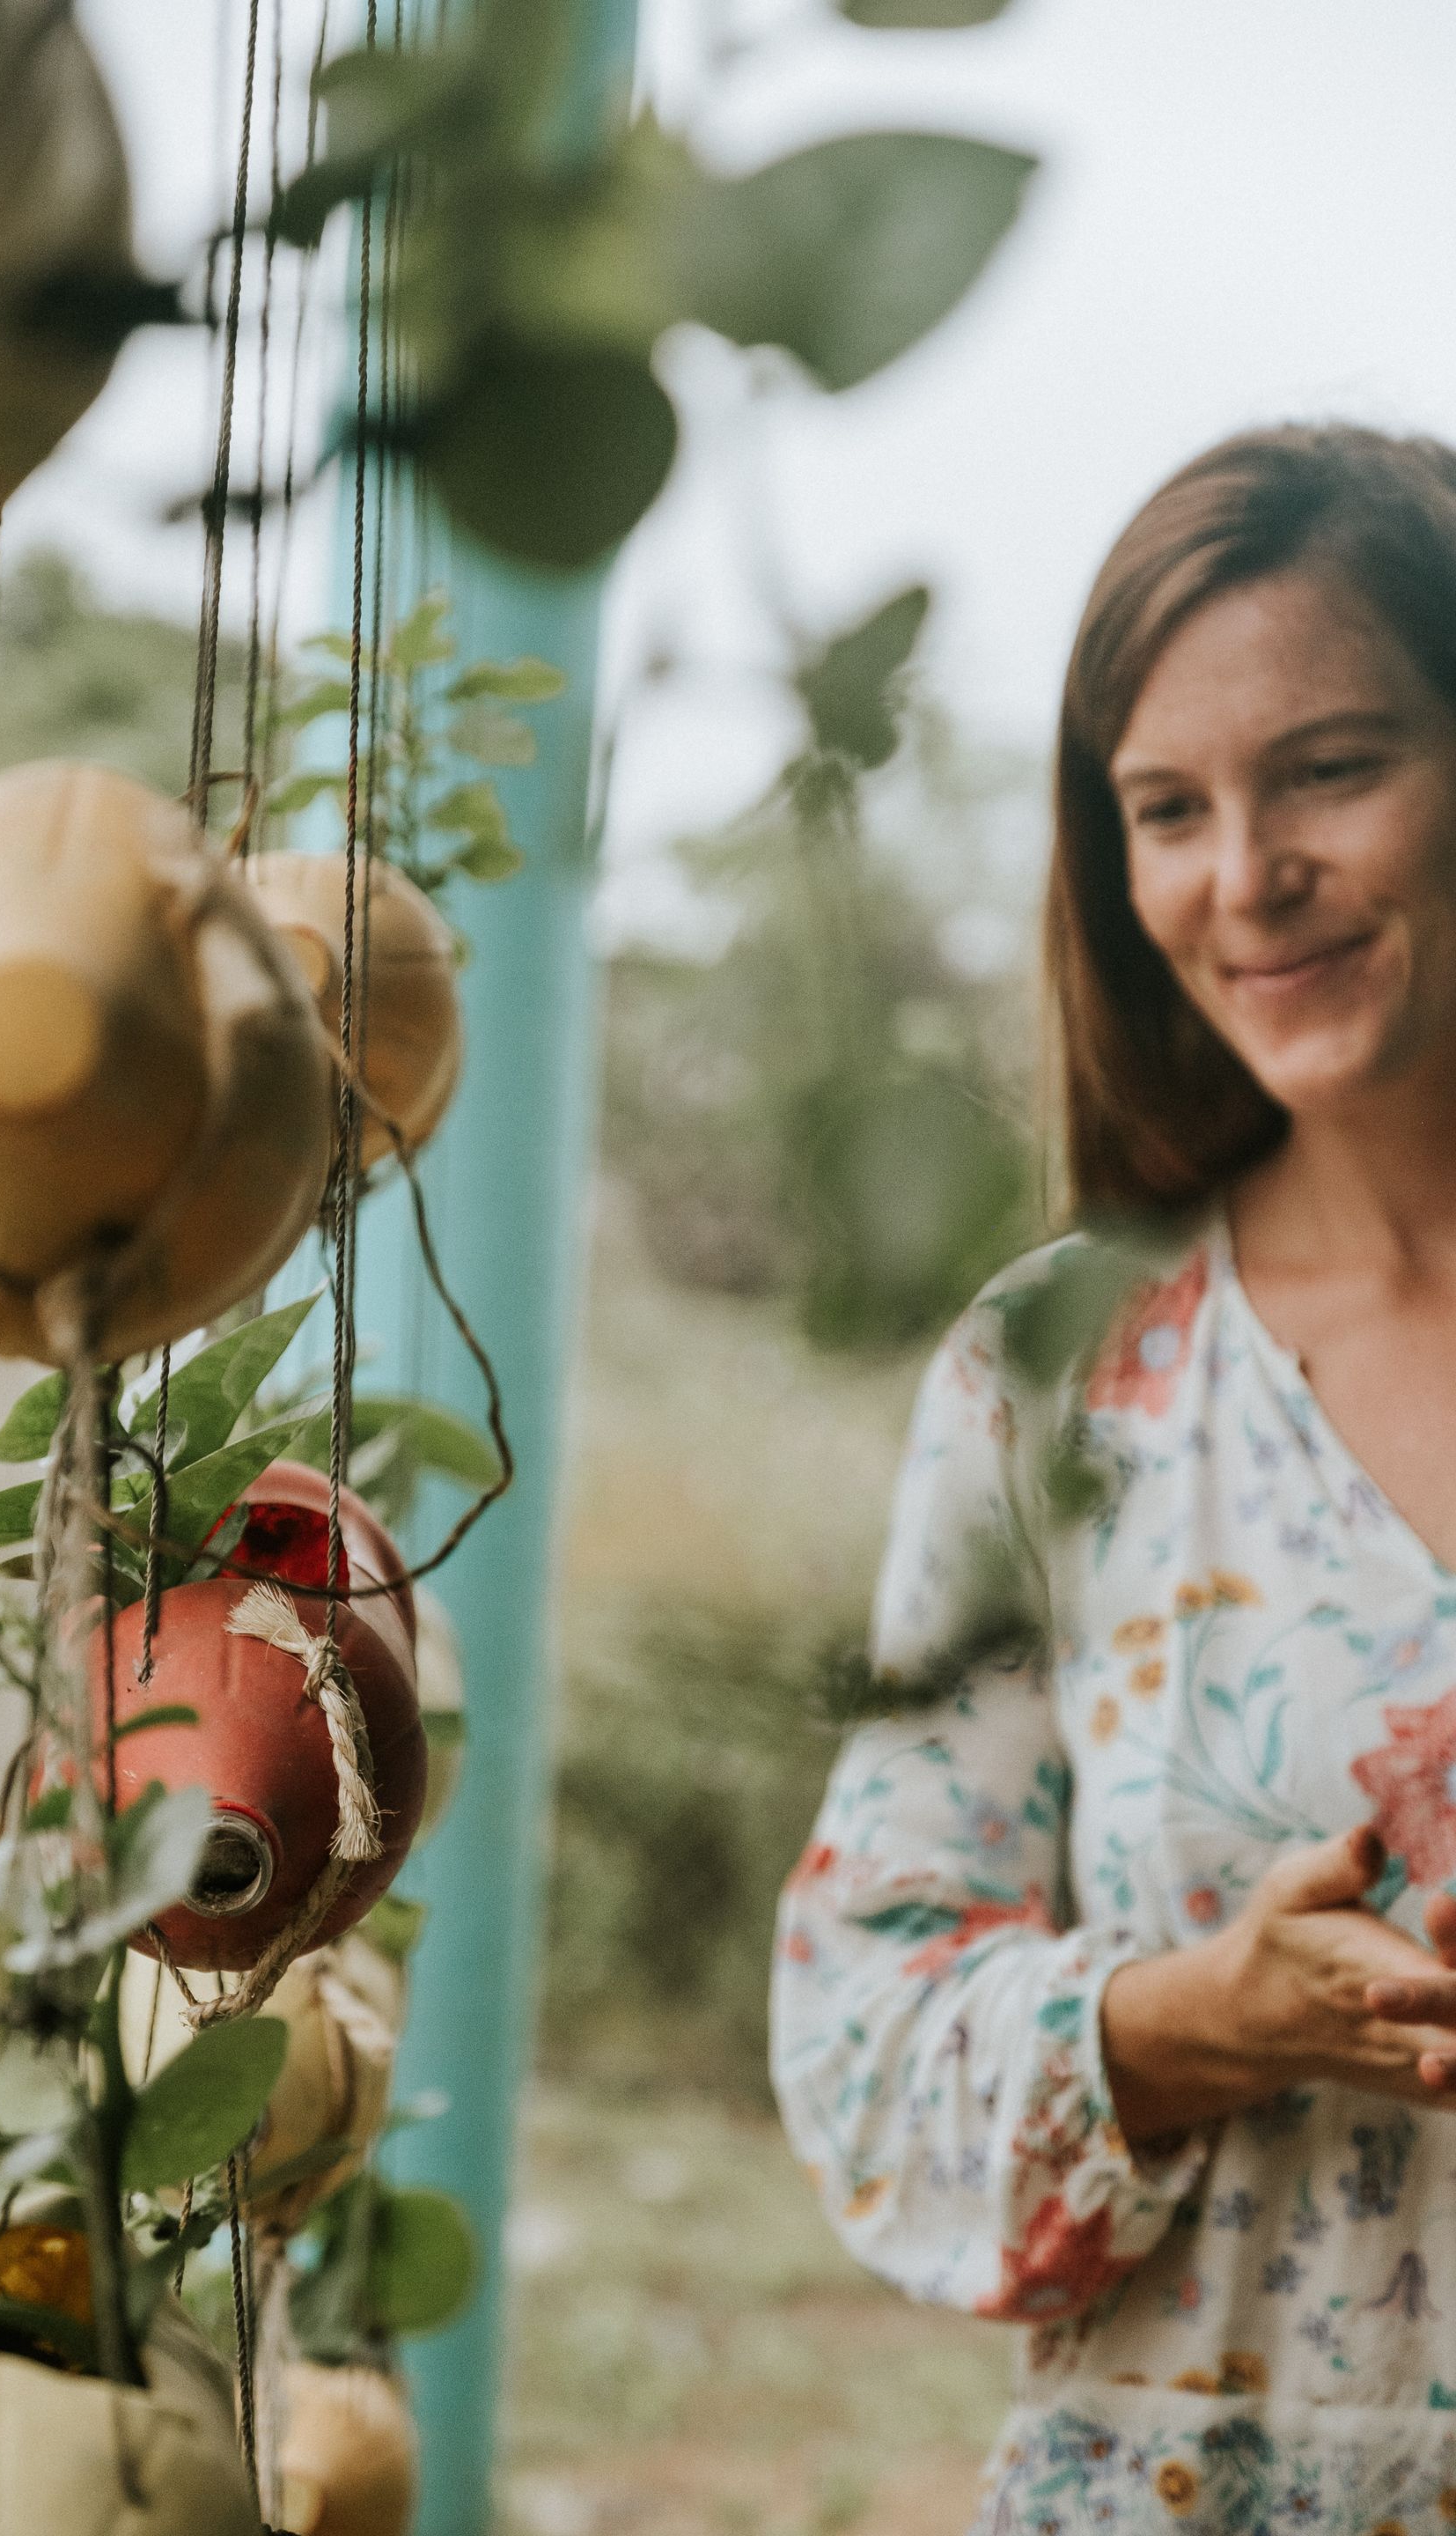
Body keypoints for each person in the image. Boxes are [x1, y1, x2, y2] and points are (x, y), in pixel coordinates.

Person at [771, 425, 1456, 2535]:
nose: (1241, 877)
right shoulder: (1060, 1383)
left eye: (1329, 770)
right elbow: (861, 2025)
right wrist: (1196, 2021)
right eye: (1167, 809)